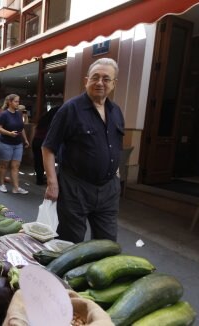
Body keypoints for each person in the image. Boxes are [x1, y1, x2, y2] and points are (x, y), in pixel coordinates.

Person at [42, 58, 125, 243]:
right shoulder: (70, 109)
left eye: (106, 79)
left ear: (114, 83)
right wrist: (52, 183)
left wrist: (116, 173)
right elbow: (48, 147)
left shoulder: (116, 111)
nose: (100, 83)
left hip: (108, 189)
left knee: (107, 243)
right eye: (95, 77)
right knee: (71, 242)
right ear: (86, 80)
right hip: (75, 188)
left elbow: (116, 144)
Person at [0, 94, 30, 194]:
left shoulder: (19, 114)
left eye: (18, 101)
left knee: (15, 166)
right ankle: (1, 184)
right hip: (5, 143)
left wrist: (25, 139)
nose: (18, 103)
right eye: (16, 101)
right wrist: (9, 133)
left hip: (18, 144)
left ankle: (16, 187)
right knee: (4, 166)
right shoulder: (4, 114)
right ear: (9, 102)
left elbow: (21, 128)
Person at [31, 102, 61, 185]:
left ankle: (39, 178)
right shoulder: (54, 121)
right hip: (44, 142)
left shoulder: (43, 118)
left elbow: (35, 129)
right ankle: (44, 179)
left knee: (38, 161)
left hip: (36, 141)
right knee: (46, 161)